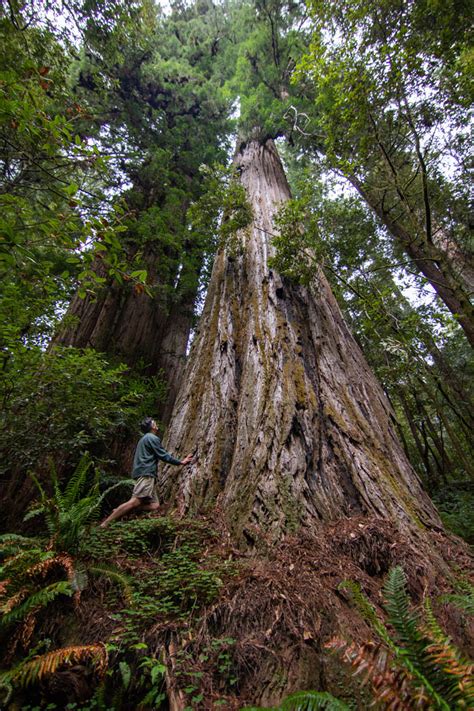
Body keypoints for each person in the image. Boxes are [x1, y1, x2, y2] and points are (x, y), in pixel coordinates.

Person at [100, 417, 193, 527]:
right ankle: (106, 523)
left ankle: (122, 510)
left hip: (145, 474)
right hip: (146, 474)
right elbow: (163, 455)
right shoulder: (151, 438)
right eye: (154, 422)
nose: (156, 423)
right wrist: (181, 462)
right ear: (151, 426)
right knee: (135, 501)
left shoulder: (144, 439)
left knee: (155, 505)